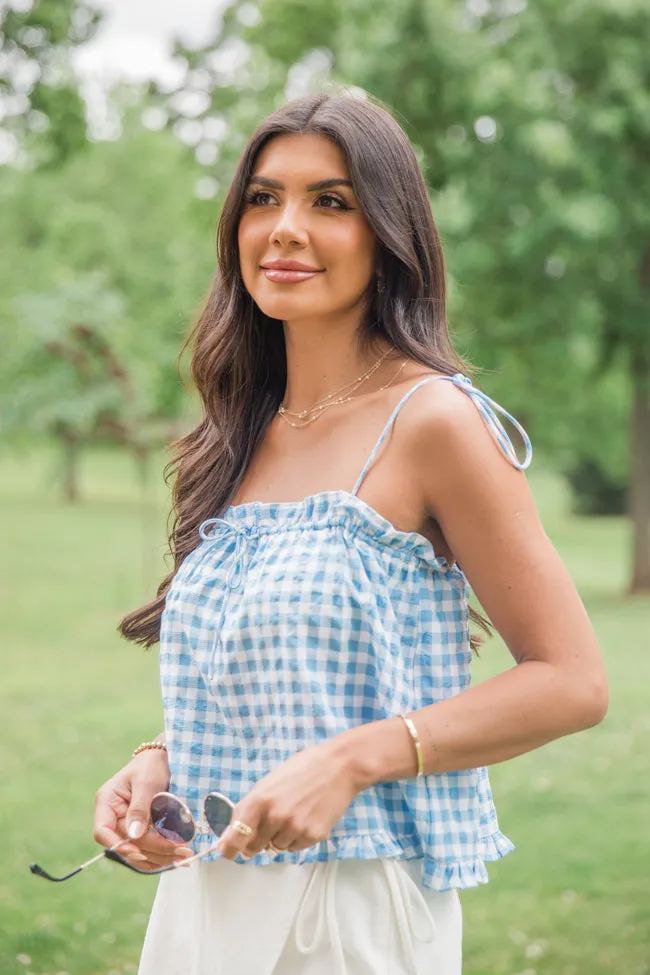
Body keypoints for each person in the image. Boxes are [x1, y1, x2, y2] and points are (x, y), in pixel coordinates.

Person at [93, 90, 608, 975]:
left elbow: (572, 681)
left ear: (389, 234)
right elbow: (288, 672)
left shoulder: (434, 420)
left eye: (330, 202)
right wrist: (162, 756)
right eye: (264, 198)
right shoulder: (240, 430)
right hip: (205, 901)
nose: (286, 227)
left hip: (351, 909)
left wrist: (355, 760)